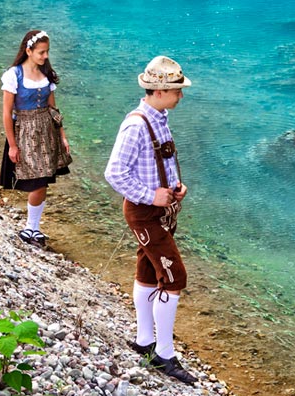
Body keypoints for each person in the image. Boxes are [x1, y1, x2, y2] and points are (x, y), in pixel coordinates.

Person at [104, 55, 198, 387]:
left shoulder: (159, 116)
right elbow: (114, 173)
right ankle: (165, 354)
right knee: (174, 277)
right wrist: (151, 195)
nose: (180, 96)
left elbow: (158, 161)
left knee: (147, 270)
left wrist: (174, 187)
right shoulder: (135, 124)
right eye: (176, 90)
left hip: (158, 211)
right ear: (158, 90)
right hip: (145, 213)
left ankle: (145, 340)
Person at [0, 29, 72, 246]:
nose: (45, 56)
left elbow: (53, 109)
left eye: (47, 52)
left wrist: (62, 136)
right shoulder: (13, 75)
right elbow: (6, 113)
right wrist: (12, 145)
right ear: (28, 51)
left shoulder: (46, 75)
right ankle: (31, 227)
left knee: (43, 182)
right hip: (24, 132)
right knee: (36, 182)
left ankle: (33, 228)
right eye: (41, 52)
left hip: (46, 132)